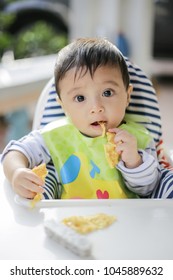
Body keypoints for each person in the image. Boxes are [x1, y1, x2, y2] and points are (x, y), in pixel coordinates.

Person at [1, 37, 161, 199]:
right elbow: (14, 153)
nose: (96, 107)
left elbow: (149, 190)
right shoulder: (54, 136)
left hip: (128, 219)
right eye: (80, 98)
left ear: (127, 96)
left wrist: (134, 162)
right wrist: (16, 173)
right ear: (63, 105)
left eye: (107, 93)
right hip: (67, 220)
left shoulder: (138, 139)